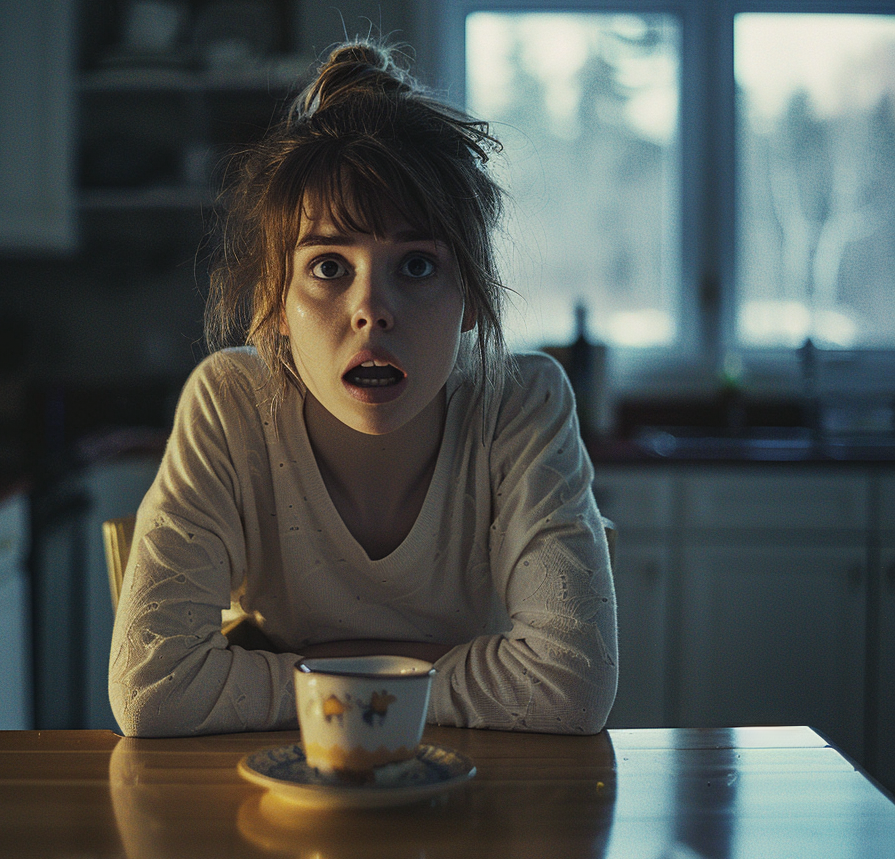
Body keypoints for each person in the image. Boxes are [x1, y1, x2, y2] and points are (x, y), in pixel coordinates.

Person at [108, 40, 617, 737]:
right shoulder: (231, 403)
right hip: (278, 793)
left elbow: (570, 685)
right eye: (327, 266)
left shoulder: (522, 402)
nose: (372, 309)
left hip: (483, 796)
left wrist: (315, 669)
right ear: (273, 306)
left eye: (415, 265)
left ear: (469, 297)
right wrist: (431, 671)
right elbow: (154, 689)